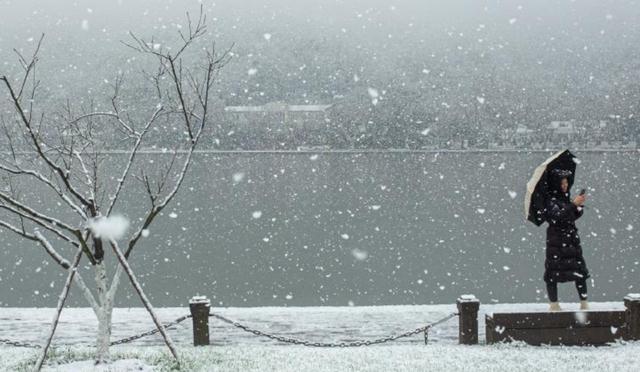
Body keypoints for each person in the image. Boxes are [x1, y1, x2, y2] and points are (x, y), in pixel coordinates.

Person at [543, 169, 590, 311]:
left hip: (571, 240)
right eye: (562, 182)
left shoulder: (564, 198)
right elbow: (556, 218)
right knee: (553, 273)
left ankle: (584, 303)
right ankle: (554, 305)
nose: (565, 185)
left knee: (579, 271)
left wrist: (579, 206)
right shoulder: (550, 200)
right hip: (556, 241)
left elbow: (570, 217)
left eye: (566, 182)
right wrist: (573, 205)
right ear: (556, 184)